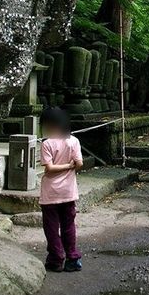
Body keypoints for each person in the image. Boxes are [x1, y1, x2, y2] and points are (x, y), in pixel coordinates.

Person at [38, 107, 84, 272]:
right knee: (68, 225)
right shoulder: (74, 141)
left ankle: (56, 259)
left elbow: (49, 169)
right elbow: (79, 164)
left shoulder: (47, 143)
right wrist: (70, 166)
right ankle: (72, 258)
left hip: (50, 193)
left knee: (51, 227)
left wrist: (64, 166)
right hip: (68, 192)